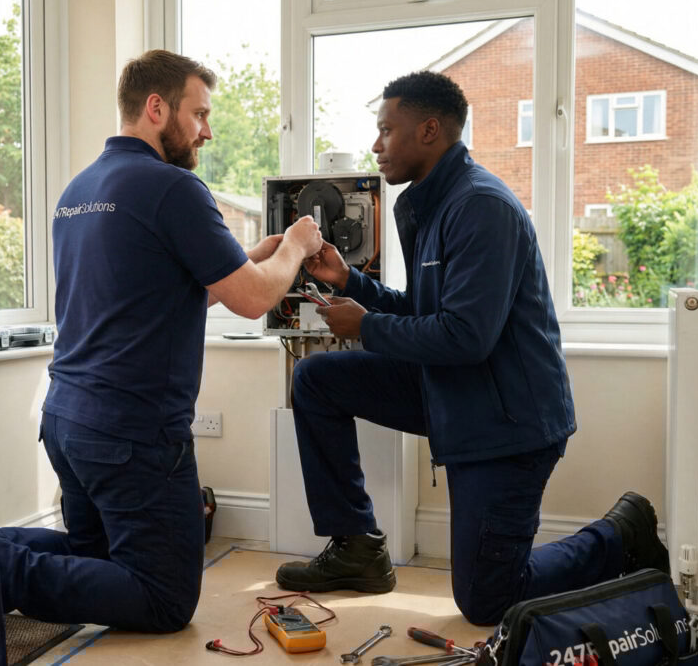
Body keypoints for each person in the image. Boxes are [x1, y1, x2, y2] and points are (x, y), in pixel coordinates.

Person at [0, 49, 323, 633]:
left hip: (68, 421)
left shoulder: (78, 191)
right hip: (133, 432)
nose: (208, 130)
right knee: (164, 598)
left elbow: (162, 293)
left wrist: (246, 260)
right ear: (156, 108)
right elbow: (253, 301)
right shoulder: (174, 189)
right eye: (199, 114)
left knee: (98, 560)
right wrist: (297, 246)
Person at [274, 70, 670, 626]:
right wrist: (351, 283)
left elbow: (465, 335)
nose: (376, 145)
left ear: (429, 130)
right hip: (458, 393)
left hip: (506, 424)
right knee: (317, 380)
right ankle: (357, 546)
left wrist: (365, 326)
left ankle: (619, 536)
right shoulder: (434, 206)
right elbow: (428, 309)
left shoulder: (481, 207)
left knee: (487, 600)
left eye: (387, 131)